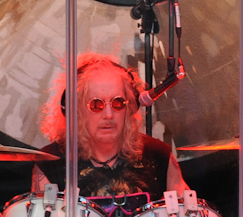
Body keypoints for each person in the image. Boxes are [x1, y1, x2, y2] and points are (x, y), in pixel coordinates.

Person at [32, 52, 189, 200]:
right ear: (76, 111)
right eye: (96, 105)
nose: (108, 114)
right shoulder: (50, 162)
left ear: (130, 108)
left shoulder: (158, 156)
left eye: (118, 103)